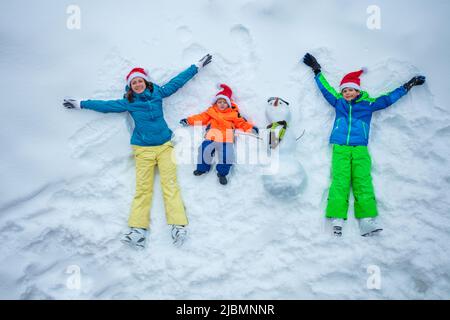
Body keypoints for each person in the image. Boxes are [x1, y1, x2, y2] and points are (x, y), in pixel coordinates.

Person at [62, 54, 213, 249]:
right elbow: (105, 106)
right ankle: (138, 231)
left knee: (170, 186)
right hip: (143, 150)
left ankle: (178, 226)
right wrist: (81, 103)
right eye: (134, 83)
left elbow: (177, 82)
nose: (137, 84)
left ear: (146, 82)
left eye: (140, 81)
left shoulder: (158, 93)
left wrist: (197, 66)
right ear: (130, 86)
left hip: (165, 146)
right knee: (143, 189)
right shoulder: (129, 102)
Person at [303, 53, 426, 237]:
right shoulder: (339, 103)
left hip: (360, 148)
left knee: (362, 181)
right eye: (344, 91)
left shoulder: (368, 105)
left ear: (358, 91)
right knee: (340, 181)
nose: (347, 93)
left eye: (350, 90)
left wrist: (407, 86)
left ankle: (367, 220)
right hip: (341, 148)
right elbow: (326, 89)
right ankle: (337, 216)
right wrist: (317, 71)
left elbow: (388, 98)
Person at [180, 84, 258, 185]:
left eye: (224, 102)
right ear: (216, 103)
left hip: (226, 139)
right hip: (211, 137)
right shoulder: (211, 112)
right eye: (219, 102)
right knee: (204, 150)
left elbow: (241, 122)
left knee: (227, 156)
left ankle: (222, 173)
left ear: (229, 104)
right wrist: (188, 121)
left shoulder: (234, 114)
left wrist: (250, 128)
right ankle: (202, 168)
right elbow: (200, 118)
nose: (222, 104)